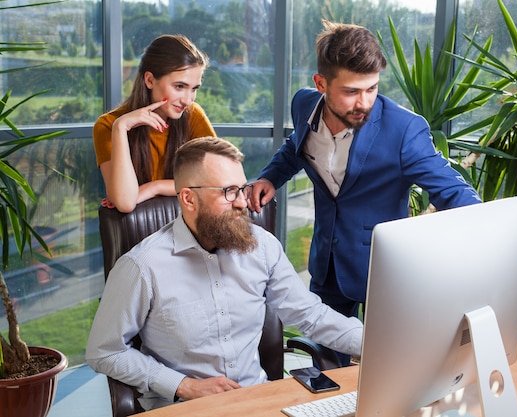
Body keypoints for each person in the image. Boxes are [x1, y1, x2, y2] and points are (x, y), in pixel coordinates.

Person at [249, 20, 481, 364]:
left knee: (391, 366)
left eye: (371, 88)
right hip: (327, 265)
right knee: (328, 370)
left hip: (385, 276)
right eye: (351, 91)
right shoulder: (303, 105)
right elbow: (294, 147)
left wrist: (484, 230)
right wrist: (270, 177)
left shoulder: (404, 130)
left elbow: (452, 191)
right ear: (321, 84)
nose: (364, 102)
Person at [86, 136, 363, 410]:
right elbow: (105, 351)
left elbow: (310, 315)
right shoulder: (142, 266)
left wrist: (378, 344)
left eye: (242, 189)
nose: (242, 202)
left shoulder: (262, 246)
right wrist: (185, 385)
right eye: (229, 191)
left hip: (257, 401)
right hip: (184, 407)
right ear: (189, 199)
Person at [93, 34, 217, 213]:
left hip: (188, 227)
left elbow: (219, 181)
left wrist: (154, 188)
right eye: (179, 87)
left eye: (194, 89)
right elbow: (125, 202)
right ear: (150, 80)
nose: (187, 101)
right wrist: (121, 128)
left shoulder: (192, 115)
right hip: (140, 237)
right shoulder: (109, 125)